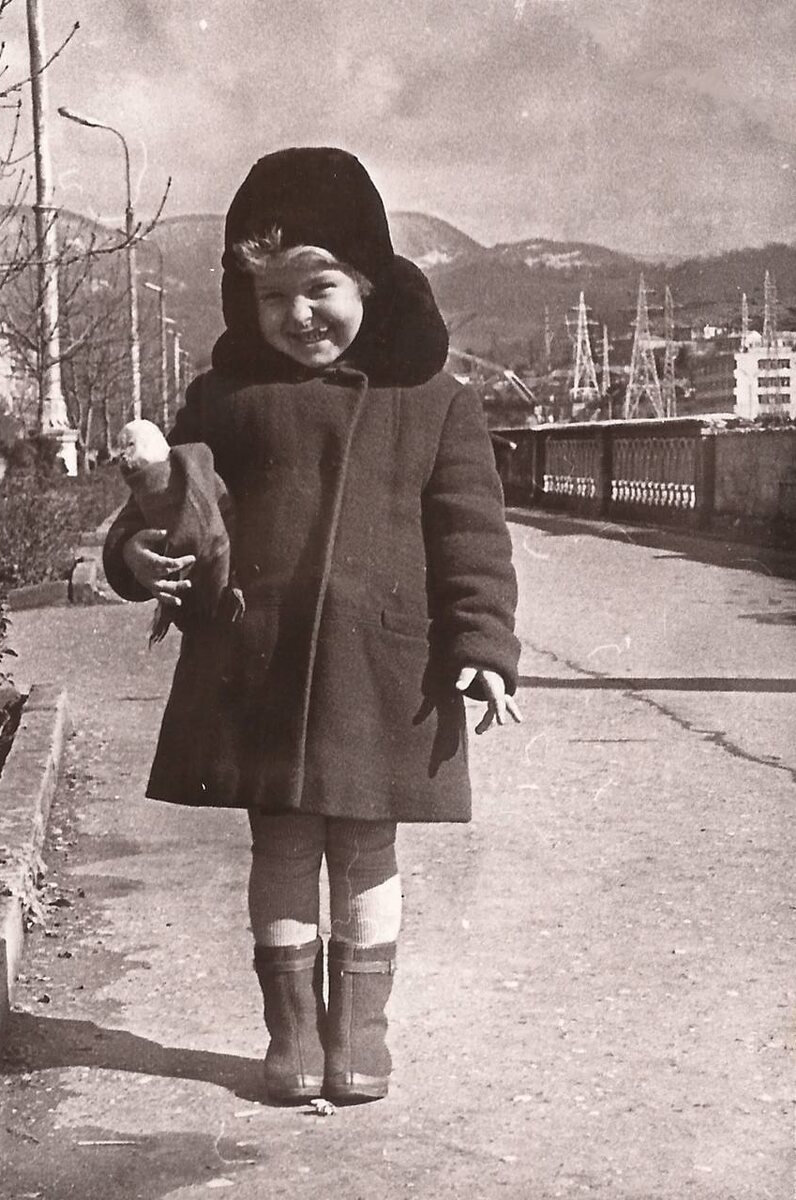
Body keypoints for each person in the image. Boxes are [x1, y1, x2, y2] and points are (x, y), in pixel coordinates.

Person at [103, 147, 522, 1106]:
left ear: (369, 281)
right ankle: (291, 1032)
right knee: (283, 848)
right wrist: (138, 554)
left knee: (367, 850)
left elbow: (473, 535)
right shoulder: (225, 401)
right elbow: (174, 505)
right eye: (271, 296)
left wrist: (484, 646)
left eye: (320, 287)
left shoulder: (436, 402)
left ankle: (360, 1031)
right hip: (263, 664)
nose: (297, 315)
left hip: (383, 670)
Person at [116, 418, 243, 643]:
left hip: (289, 610)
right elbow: (151, 487)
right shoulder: (206, 401)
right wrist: (127, 548)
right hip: (211, 621)